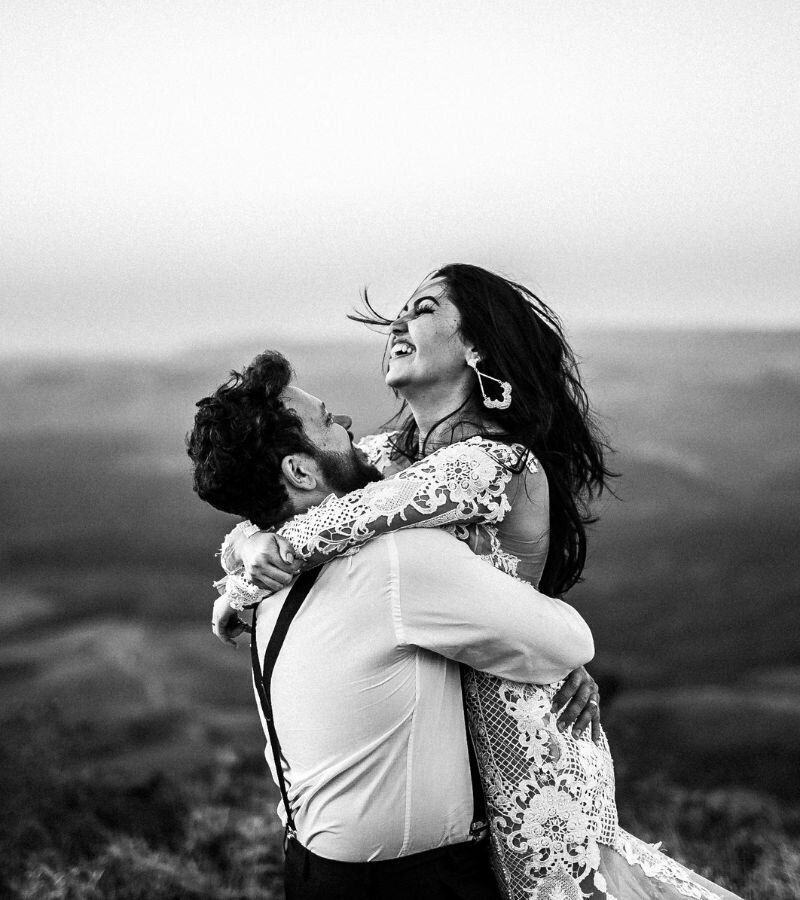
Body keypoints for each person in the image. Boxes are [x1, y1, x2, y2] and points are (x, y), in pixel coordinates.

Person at [208, 265, 743, 899]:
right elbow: (297, 491)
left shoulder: (490, 461)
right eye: (403, 311)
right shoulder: (395, 457)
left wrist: (255, 569)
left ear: (476, 348)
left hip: (529, 747)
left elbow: (341, 519)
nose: (400, 323)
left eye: (425, 309)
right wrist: (248, 542)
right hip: (463, 750)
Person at [187, 354, 597, 899]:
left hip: (307, 868)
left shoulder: (263, 563)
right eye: (328, 421)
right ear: (300, 471)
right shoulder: (395, 561)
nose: (349, 425)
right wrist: (549, 656)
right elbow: (570, 641)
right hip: (409, 883)